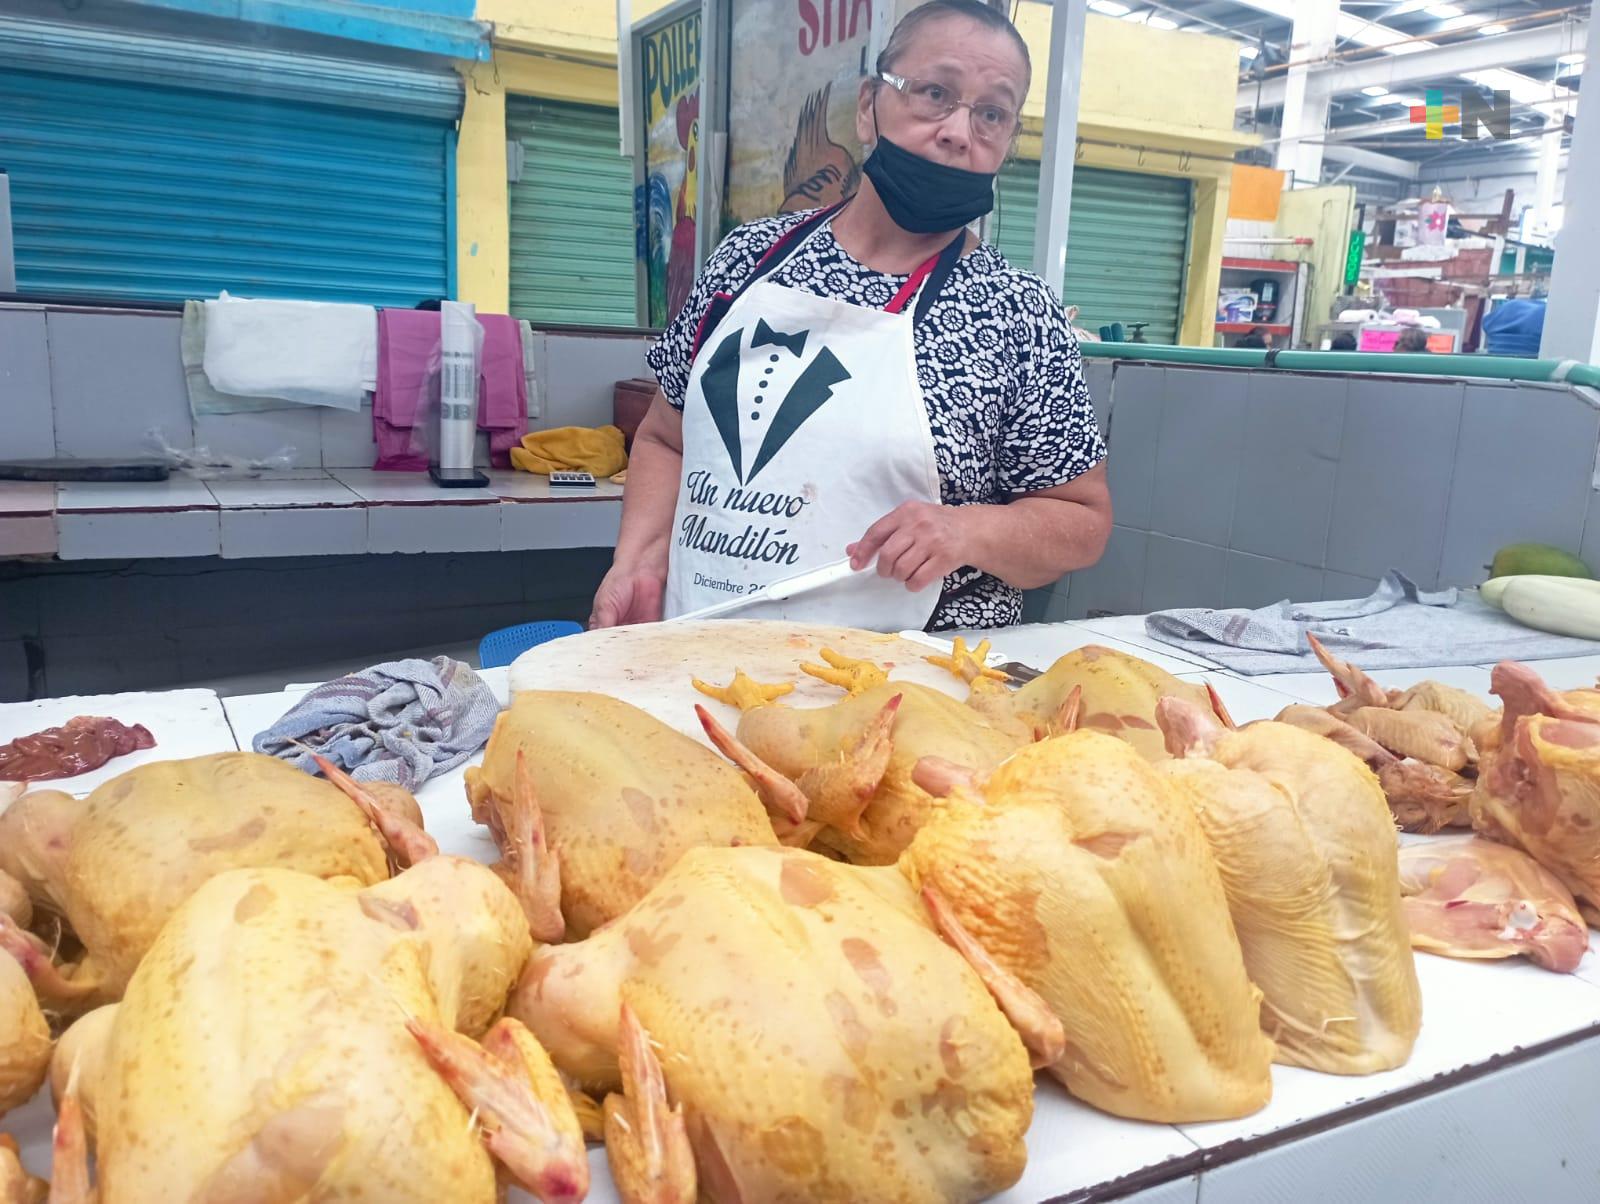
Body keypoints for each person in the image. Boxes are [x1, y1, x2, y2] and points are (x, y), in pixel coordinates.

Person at [588, 0, 1111, 633]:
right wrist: (638, 563)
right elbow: (664, 437)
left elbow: (1081, 522)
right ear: (868, 107)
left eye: (992, 113)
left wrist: (969, 529)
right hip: (700, 659)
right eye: (935, 93)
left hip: (905, 696)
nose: (957, 131)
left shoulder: (1017, 313)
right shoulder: (747, 259)